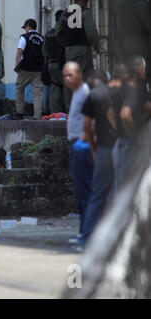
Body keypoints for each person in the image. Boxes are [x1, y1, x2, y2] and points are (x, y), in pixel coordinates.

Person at [77, 63, 129, 250]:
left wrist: (92, 148)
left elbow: (86, 126)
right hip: (124, 146)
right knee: (122, 193)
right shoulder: (129, 92)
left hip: (104, 149)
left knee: (97, 194)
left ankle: (86, 239)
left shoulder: (96, 94)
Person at [63, 61, 93, 248]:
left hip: (82, 145)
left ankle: (88, 234)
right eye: (65, 75)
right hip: (75, 143)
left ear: (79, 74)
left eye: (71, 75)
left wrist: (84, 140)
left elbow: (90, 121)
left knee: (85, 192)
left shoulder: (85, 93)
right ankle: (83, 232)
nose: (67, 79)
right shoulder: (76, 93)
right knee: (80, 192)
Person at [113, 56, 149, 190]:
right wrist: (134, 132)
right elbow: (125, 115)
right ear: (140, 70)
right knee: (128, 188)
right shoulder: (135, 89)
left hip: (119, 141)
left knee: (120, 187)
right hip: (129, 142)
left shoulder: (120, 88)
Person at [56, 0, 100, 109]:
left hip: (69, 50)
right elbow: (91, 33)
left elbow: (58, 32)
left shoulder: (65, 12)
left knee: (70, 78)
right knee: (84, 78)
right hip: (83, 48)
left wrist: (66, 43)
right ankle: (84, 109)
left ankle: (70, 108)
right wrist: (96, 46)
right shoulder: (85, 12)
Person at [14, 19, 45, 120]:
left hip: (25, 68)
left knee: (19, 88)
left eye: (25, 28)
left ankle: (19, 113)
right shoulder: (42, 38)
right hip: (38, 69)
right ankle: (37, 116)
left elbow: (20, 51)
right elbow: (45, 54)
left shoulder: (24, 37)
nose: (25, 30)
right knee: (38, 93)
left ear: (28, 26)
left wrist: (16, 65)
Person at [43, 10, 66, 114]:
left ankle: (55, 114)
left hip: (50, 64)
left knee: (55, 88)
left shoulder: (48, 33)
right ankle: (68, 112)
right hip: (62, 64)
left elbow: (44, 51)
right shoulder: (65, 32)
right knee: (67, 88)